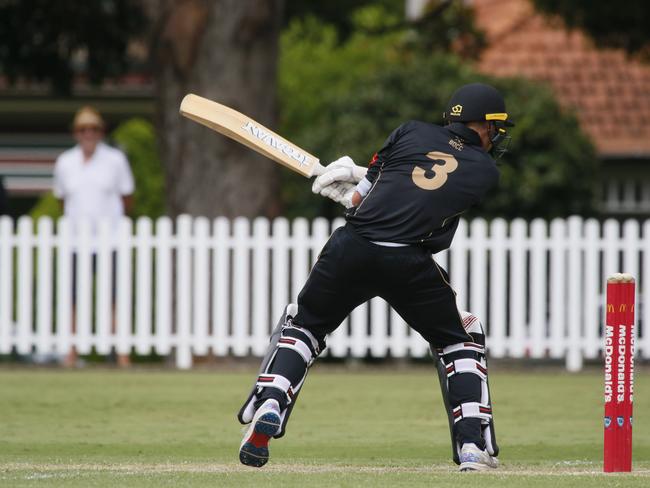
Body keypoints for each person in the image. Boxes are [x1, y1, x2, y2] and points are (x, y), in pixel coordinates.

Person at [237, 83, 513, 471]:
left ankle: (272, 401)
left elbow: (362, 198)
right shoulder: (485, 171)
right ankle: (472, 447)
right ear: (481, 124)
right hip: (408, 261)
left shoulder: (409, 131)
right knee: (459, 341)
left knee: (305, 326)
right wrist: (357, 186)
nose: (497, 135)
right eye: (495, 127)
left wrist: (348, 185)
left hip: (352, 247)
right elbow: (429, 206)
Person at [53, 106, 135, 367]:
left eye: (93, 129)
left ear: (101, 132)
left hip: (109, 239)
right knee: (73, 296)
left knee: (114, 296)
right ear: (76, 133)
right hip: (76, 240)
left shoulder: (115, 160)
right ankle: (72, 351)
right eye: (83, 129)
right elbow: (61, 200)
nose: (88, 133)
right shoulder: (65, 162)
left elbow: (127, 197)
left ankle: (121, 352)